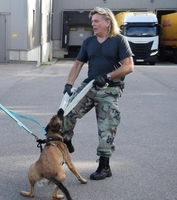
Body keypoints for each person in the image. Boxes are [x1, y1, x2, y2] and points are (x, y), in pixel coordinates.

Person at [62, 7, 134, 181]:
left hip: (109, 89)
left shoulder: (119, 40)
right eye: (92, 21)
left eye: (96, 21)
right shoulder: (89, 42)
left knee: (106, 128)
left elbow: (129, 66)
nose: (92, 24)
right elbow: (78, 64)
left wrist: (108, 76)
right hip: (89, 87)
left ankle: (104, 166)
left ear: (107, 22)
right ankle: (67, 143)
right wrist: (69, 85)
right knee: (65, 114)